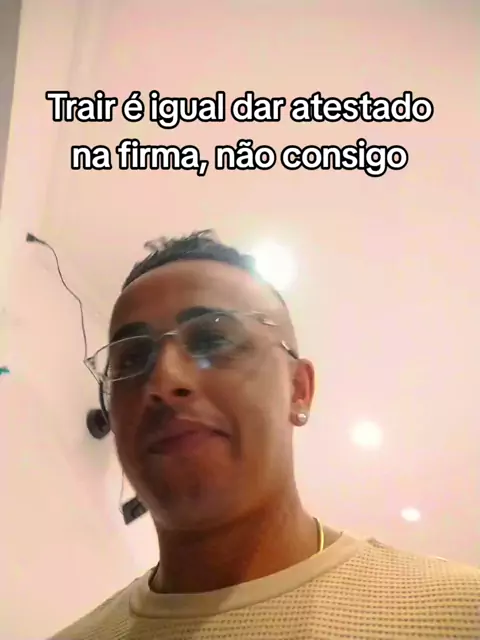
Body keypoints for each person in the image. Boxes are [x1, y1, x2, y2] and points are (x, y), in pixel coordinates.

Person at [50, 231, 480, 640]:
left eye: (212, 338)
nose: (164, 379)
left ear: (298, 390)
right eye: (131, 357)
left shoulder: (458, 614)